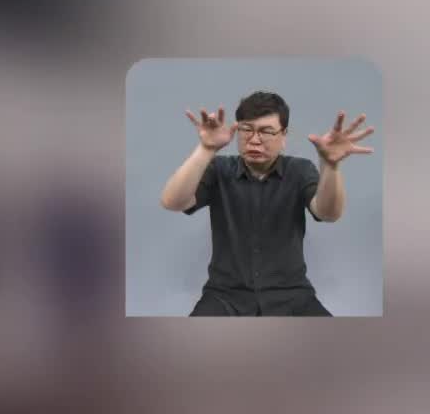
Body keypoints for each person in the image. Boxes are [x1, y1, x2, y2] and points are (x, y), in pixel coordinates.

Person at [159, 92, 377, 316]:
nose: (254, 139)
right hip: (224, 296)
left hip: (293, 296)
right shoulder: (219, 169)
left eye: (266, 131)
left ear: (284, 136)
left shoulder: (300, 170)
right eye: (246, 129)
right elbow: (172, 202)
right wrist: (205, 149)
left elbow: (328, 213)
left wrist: (330, 165)